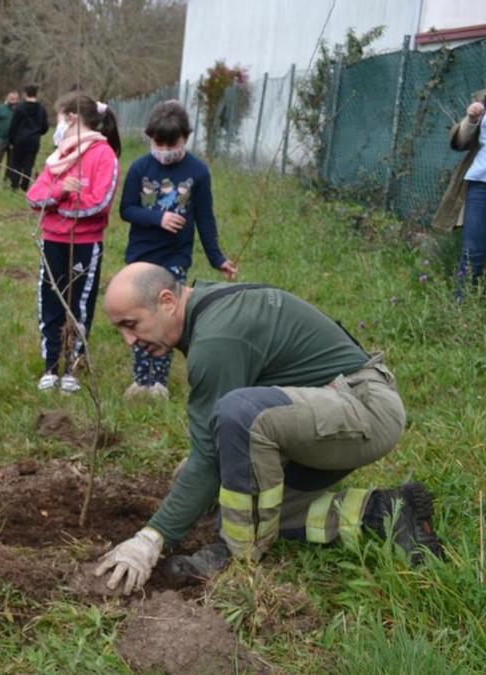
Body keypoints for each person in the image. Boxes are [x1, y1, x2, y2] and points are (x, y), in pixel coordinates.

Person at [94, 263, 443, 595]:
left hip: (364, 411)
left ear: (167, 302)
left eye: (132, 324)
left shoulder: (216, 339)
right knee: (247, 504)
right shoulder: (209, 309)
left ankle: (237, 554)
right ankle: (382, 510)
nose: (129, 340)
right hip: (331, 412)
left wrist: (151, 538)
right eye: (120, 330)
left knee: (237, 415)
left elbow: (212, 455)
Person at [119, 100, 238, 399]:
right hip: (140, 256)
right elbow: (127, 209)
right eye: (159, 143)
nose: (165, 149)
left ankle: (158, 381)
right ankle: (140, 378)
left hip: (174, 259)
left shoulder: (197, 172)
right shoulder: (139, 167)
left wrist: (217, 258)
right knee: (138, 315)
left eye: (172, 143)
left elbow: (206, 218)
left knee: (165, 317)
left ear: (185, 137)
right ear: (150, 138)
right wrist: (157, 217)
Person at [26, 93, 121, 393]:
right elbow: (34, 197)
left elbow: (99, 203)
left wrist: (59, 208)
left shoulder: (103, 156)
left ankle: (73, 367)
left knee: (79, 304)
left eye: (59, 119)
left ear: (72, 119)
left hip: (84, 244)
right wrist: (60, 192)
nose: (57, 127)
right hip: (52, 241)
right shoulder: (58, 158)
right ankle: (51, 367)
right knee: (50, 301)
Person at [434, 92, 486, 296]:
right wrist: (471, 119)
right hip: (480, 185)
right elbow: (460, 142)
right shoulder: (483, 98)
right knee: (473, 251)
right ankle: (461, 307)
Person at [6, 84, 49, 191]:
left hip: (19, 139)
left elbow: (13, 125)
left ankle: (14, 184)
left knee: (17, 163)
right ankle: (25, 185)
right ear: (36, 94)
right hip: (33, 140)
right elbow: (45, 126)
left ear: (25, 93)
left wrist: (11, 139)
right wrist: (38, 133)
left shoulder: (19, 108)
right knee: (29, 163)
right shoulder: (41, 109)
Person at [0, 90, 19, 183]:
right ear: (7, 99)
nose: (13, 101)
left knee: (11, 163)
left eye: (16, 99)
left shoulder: (19, 110)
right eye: (11, 99)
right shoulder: (0, 109)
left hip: (14, 140)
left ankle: (7, 180)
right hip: (1, 139)